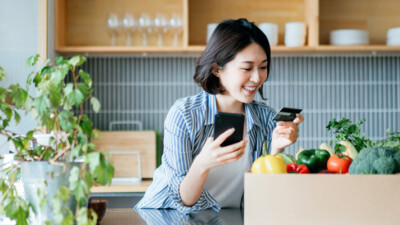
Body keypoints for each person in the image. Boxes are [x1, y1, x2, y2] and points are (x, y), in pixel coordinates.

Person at [135, 18, 304, 214]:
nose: (257, 78)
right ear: (217, 69)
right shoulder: (185, 115)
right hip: (167, 216)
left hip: (228, 218)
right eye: (247, 68)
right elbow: (184, 200)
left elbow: (264, 196)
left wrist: (276, 150)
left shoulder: (266, 119)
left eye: (263, 67)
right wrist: (202, 163)